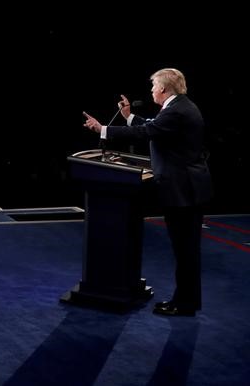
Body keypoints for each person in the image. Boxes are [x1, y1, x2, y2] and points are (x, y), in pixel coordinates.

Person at [83, 68, 212, 317]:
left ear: (163, 89)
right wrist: (129, 116)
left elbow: (147, 132)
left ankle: (184, 304)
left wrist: (103, 129)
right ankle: (186, 301)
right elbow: (154, 126)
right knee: (186, 251)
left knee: (185, 251)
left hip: (183, 191)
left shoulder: (176, 111)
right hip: (187, 188)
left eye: (153, 86)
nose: (152, 90)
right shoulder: (181, 107)